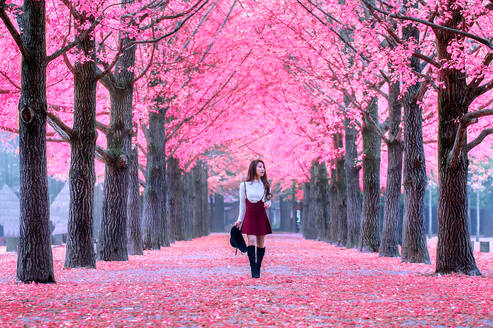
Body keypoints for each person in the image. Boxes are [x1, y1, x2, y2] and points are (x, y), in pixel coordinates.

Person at [235, 159, 272, 278]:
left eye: (263, 167)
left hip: (261, 214)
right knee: (251, 241)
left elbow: (268, 199)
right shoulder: (244, 185)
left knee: (261, 244)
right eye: (260, 167)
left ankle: (258, 266)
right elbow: (242, 204)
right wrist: (240, 220)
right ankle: (253, 269)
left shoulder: (266, 185)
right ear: (253, 169)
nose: (262, 169)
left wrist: (268, 204)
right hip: (249, 215)